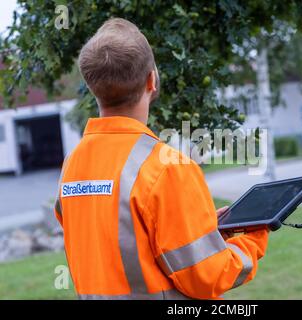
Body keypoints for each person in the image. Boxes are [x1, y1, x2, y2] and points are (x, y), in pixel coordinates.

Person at [54, 17, 268, 300]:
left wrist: (198, 230)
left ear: (92, 86)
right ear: (151, 80)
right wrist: (254, 236)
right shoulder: (167, 167)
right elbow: (208, 275)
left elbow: (115, 241)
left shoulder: (73, 164)